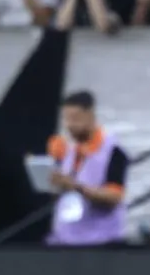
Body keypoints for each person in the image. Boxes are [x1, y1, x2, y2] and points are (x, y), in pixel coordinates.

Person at [45, 91, 128, 246]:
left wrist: (76, 187)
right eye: (66, 119)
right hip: (64, 239)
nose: (70, 125)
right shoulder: (67, 149)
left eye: (75, 119)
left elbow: (114, 197)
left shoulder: (113, 151)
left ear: (90, 115)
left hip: (101, 243)